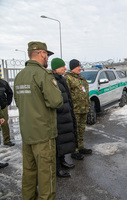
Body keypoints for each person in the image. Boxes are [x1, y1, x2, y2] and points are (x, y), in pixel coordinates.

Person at [14, 41, 63, 200]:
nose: (47, 58)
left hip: (27, 132)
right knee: (46, 175)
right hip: (43, 133)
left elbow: (19, 102)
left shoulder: (20, 76)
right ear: (41, 53)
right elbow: (56, 101)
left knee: (29, 172)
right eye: (47, 55)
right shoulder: (42, 74)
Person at [51, 58, 77, 178]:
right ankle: (57, 168)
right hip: (58, 117)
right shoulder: (52, 81)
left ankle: (62, 161)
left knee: (62, 142)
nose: (65, 68)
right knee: (57, 143)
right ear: (56, 68)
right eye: (62, 67)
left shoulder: (61, 79)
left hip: (64, 115)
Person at [65, 59, 91, 160]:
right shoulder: (68, 78)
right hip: (75, 110)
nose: (80, 68)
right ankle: (74, 150)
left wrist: (87, 104)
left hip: (83, 109)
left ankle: (80, 147)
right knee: (74, 130)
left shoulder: (81, 78)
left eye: (80, 66)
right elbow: (66, 95)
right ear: (73, 68)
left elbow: (85, 93)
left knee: (81, 129)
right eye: (78, 67)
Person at [0, 77, 14, 146]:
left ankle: (6, 140)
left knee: (4, 124)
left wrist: (7, 103)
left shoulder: (3, 83)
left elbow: (10, 93)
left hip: (3, 107)